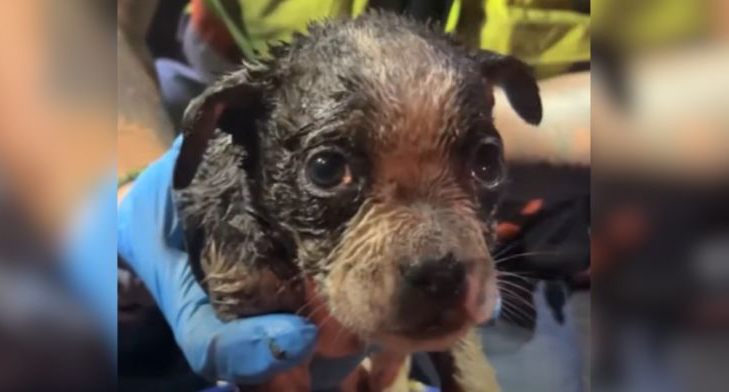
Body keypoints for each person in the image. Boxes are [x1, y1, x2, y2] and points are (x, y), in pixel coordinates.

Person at [117, 1, 592, 390]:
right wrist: (122, 183)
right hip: (280, 228)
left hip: (532, 242)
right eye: (329, 170)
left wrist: (426, 121)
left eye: (482, 163)